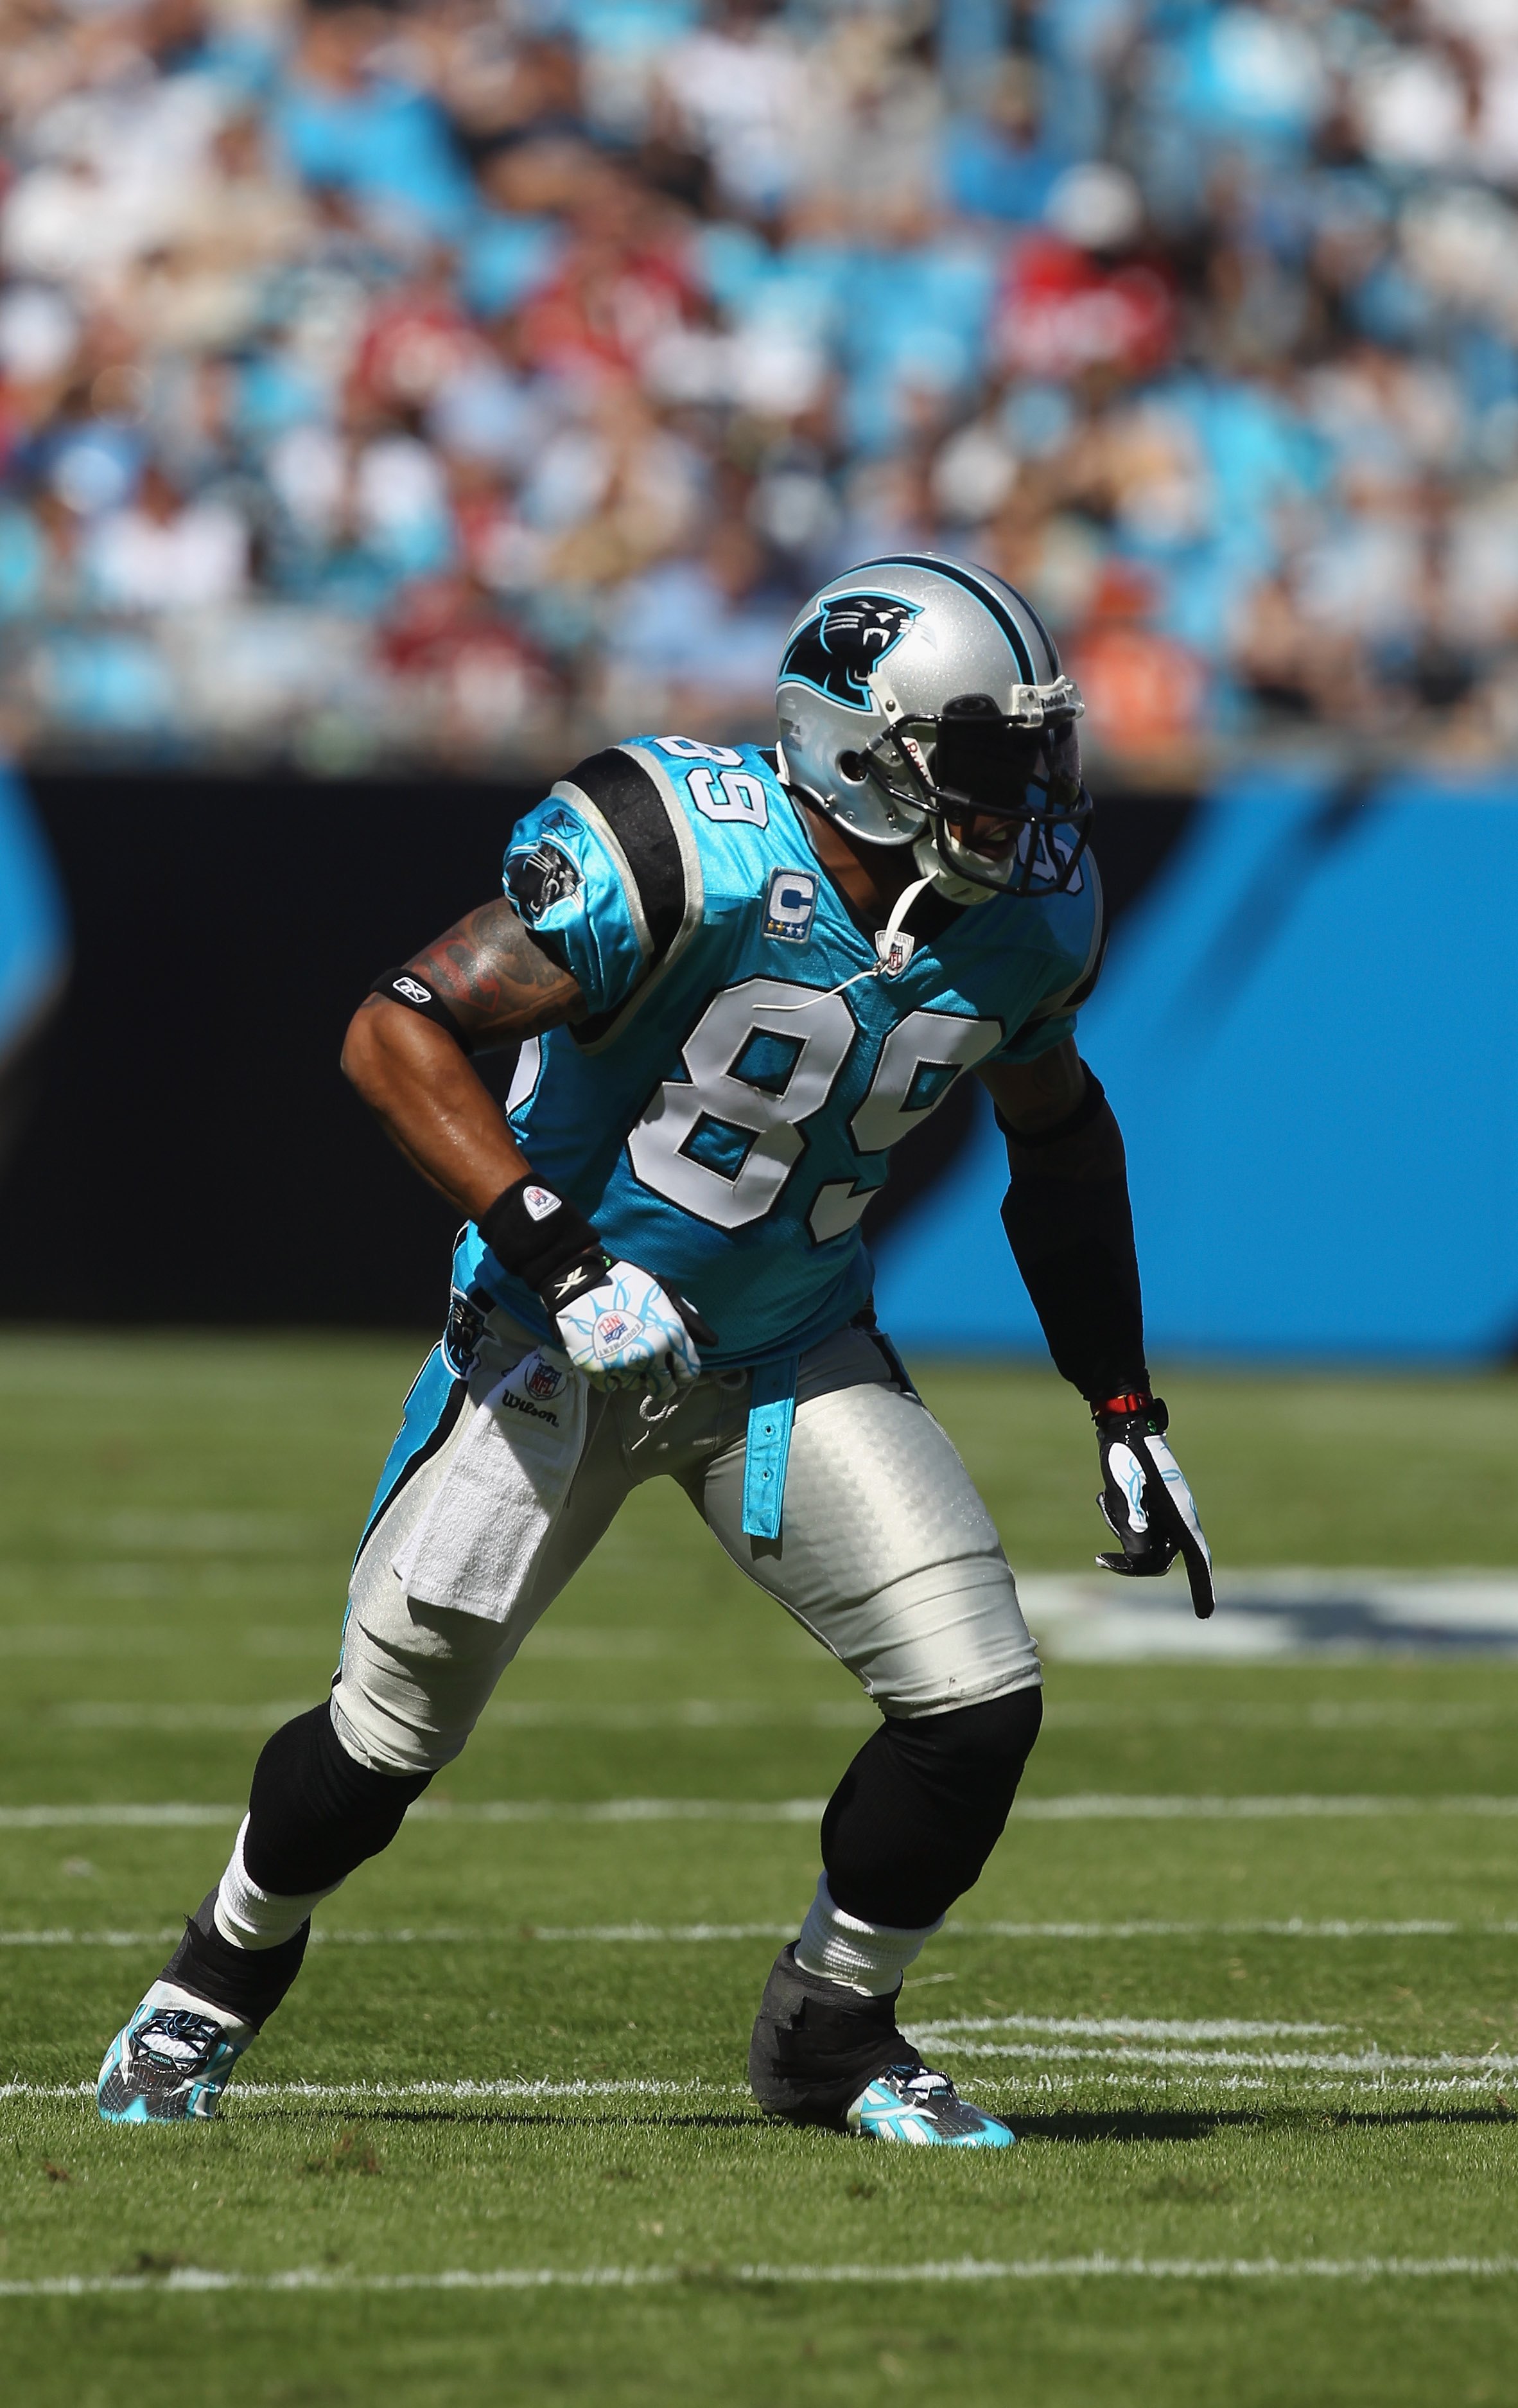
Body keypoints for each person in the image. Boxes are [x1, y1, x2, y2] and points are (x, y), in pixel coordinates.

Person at [96, 553, 1213, 2147]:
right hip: (549, 1351)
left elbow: (1061, 1134)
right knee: (385, 1738)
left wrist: (1120, 1403)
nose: (1023, 799)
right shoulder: (683, 846)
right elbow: (395, 1029)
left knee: (976, 1699)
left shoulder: (1031, 920)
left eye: (1038, 753)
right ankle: (212, 1981)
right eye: (982, 758)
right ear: (857, 748)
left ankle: (833, 2028)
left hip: (789, 1352)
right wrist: (563, 1263)